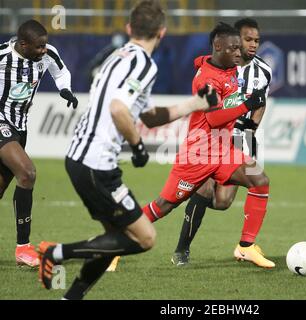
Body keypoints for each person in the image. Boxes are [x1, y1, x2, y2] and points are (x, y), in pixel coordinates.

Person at [37, 0, 216, 300]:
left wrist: (197, 103)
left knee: (114, 238)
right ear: (162, 32)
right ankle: (56, 253)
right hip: (97, 164)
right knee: (144, 238)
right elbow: (120, 110)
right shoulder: (144, 64)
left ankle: (72, 296)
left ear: (129, 28)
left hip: (80, 158)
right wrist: (138, 146)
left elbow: (148, 115)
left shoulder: (115, 58)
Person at [141, 22, 275, 269]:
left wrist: (250, 126)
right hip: (199, 152)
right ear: (220, 47)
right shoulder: (208, 79)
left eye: (242, 46)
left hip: (225, 147)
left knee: (259, 181)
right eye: (236, 46)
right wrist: (247, 105)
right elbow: (213, 118)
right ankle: (121, 237)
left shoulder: (229, 68)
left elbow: (208, 62)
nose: (241, 51)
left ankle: (245, 247)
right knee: (164, 205)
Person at [0, 19, 78, 267]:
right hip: (1, 122)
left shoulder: (48, 53)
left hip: (20, 127)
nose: (44, 50)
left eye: (45, 45)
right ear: (23, 45)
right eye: (39, 47)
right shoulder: (2, 56)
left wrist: (64, 89)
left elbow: (61, 71)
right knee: (27, 173)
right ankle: (23, 249)